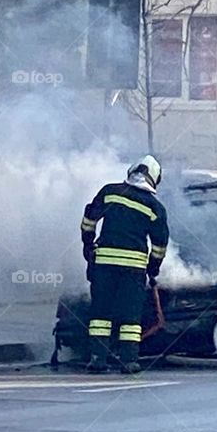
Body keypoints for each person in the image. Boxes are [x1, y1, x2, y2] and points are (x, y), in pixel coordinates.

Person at [80, 155, 169, 375]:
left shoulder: (109, 191)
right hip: (133, 269)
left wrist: (88, 244)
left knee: (101, 311)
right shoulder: (154, 206)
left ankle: (98, 358)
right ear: (154, 179)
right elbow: (160, 243)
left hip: (104, 264)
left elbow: (89, 218)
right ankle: (128, 360)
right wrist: (153, 267)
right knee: (130, 314)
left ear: (131, 172)